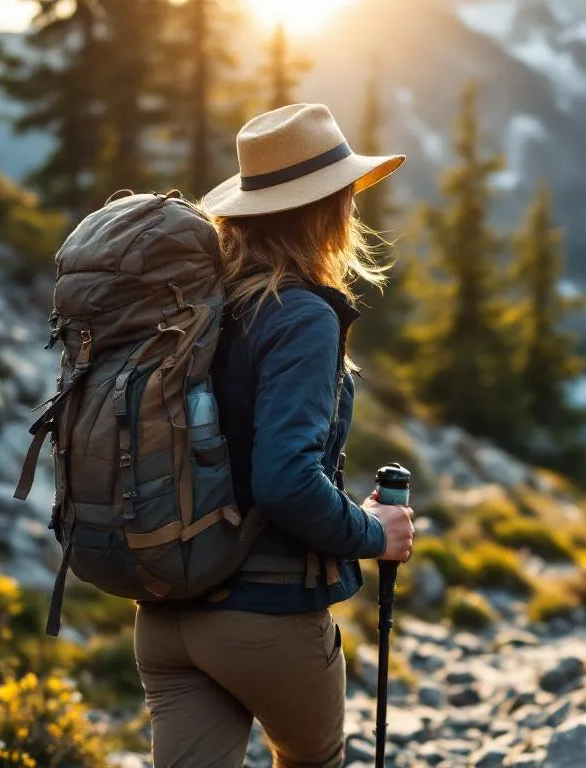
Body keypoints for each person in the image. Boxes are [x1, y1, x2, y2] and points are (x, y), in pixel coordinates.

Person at [133, 103, 415, 768]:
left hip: (167, 613)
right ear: (328, 209)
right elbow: (285, 479)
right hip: (264, 616)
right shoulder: (301, 315)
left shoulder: (199, 306)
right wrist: (374, 532)